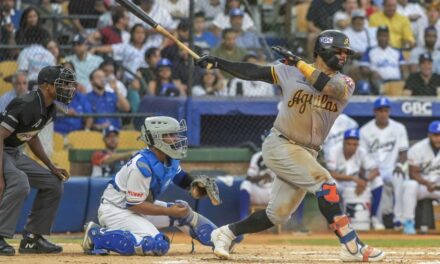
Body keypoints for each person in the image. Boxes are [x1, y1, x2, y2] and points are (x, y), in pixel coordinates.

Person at [195, 30, 385, 261]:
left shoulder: (344, 82)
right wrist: (219, 62)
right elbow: (255, 72)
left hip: (307, 153)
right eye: (339, 51)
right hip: (281, 144)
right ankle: (351, 246)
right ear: (322, 51)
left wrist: (299, 62)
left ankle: (225, 233)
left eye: (347, 52)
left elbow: (326, 87)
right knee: (326, 186)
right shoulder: (289, 71)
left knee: (277, 215)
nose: (344, 56)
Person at [82, 116, 235, 255]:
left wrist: (195, 185)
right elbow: (134, 205)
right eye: (171, 135)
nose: (176, 138)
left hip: (136, 206)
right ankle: (97, 235)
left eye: (175, 134)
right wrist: (169, 211)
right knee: (156, 245)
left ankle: (220, 239)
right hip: (116, 210)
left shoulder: (169, 158)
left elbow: (180, 178)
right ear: (157, 138)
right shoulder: (141, 165)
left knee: (184, 212)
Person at [0, 66, 77, 256]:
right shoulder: (25, 103)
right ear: (47, 86)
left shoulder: (50, 107)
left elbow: (31, 136)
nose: (68, 88)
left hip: (12, 151)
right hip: (2, 148)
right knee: (19, 182)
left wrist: (51, 167)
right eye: (63, 84)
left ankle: (32, 239)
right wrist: (0, 176)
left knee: (53, 182)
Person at [360, 97, 409, 230]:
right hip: (373, 169)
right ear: (374, 111)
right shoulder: (364, 130)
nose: (383, 113)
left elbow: (403, 152)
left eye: (385, 110)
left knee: (400, 178)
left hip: (391, 168)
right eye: (380, 110)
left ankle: (398, 219)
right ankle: (377, 219)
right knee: (378, 182)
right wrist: (369, 171)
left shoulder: (399, 128)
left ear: (389, 111)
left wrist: (399, 166)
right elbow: (362, 155)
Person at [326, 129, 384, 230]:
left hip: (356, 184)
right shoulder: (334, 150)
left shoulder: (361, 152)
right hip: (340, 183)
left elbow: (375, 170)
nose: (352, 147)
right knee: (330, 183)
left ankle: (373, 217)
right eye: (349, 144)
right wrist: (353, 178)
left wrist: (365, 181)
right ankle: (334, 220)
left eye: (355, 144)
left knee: (378, 181)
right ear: (343, 142)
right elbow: (331, 173)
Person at [401, 121, 440, 234]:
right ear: (429, 135)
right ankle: (408, 222)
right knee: (410, 185)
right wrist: (427, 183)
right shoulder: (417, 148)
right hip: (423, 186)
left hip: (438, 186)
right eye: (436, 135)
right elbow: (413, 173)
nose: (438, 138)